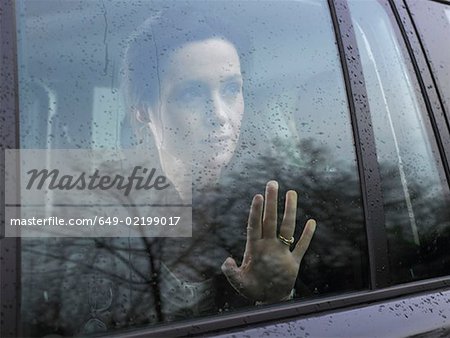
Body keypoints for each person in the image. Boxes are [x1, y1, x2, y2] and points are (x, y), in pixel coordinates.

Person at [122, 5, 316, 309]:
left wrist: (277, 298)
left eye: (231, 89)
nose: (220, 115)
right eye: (191, 93)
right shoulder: (111, 213)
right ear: (143, 109)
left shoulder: (280, 215)